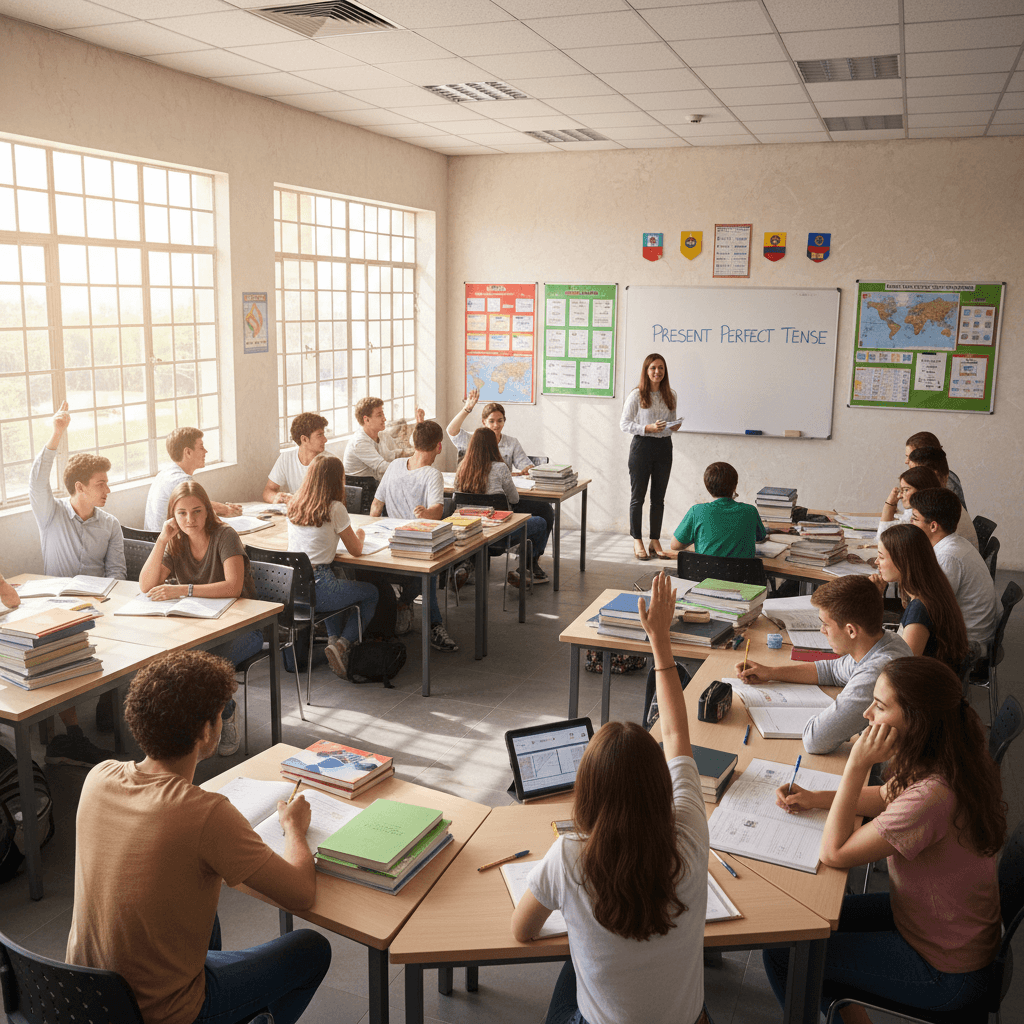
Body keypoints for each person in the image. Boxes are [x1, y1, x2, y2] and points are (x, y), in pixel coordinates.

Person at [66, 649, 332, 1024]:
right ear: (206, 730)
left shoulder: (99, 777)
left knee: (201, 907)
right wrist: (294, 829)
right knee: (311, 950)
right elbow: (300, 892)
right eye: (222, 714)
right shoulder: (206, 813)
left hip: (85, 999)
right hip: (159, 1013)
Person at [511, 573, 708, 1024]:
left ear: (589, 795)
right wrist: (660, 640)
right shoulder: (692, 834)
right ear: (661, 786)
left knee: (571, 970)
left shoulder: (569, 856)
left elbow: (521, 932)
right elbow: (677, 733)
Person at [763, 656, 1005, 1021]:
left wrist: (856, 764)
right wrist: (816, 798)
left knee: (786, 952)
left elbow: (834, 852)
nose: (867, 715)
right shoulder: (945, 758)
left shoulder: (933, 798)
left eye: (879, 706)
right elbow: (884, 797)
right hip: (930, 924)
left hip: (944, 970)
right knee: (802, 926)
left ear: (916, 720)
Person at [30, 401, 124, 767]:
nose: (108, 490)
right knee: (59, 647)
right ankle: (72, 736)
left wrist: (104, 602)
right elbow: (37, 480)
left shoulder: (110, 524)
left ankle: (106, 705)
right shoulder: (51, 515)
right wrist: (57, 433)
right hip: (54, 609)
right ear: (79, 488)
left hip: (99, 605)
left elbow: (116, 574)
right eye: (101, 484)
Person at [139, 481, 263, 756]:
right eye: (181, 513)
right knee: (179, 667)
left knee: (201, 672)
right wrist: (162, 539)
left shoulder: (225, 535)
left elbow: (232, 586)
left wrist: (183, 589)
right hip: (202, 627)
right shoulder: (176, 541)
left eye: (196, 511)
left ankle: (225, 714)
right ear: (173, 515)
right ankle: (201, 725)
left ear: (207, 511)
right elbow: (146, 585)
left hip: (244, 628)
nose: (189, 519)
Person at [736, 575, 911, 755]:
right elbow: (831, 671)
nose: (822, 630)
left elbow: (816, 741)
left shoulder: (877, 672)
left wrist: (829, 714)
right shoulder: (886, 640)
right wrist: (770, 672)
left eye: (826, 624)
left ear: (851, 630)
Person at [286, 454, 378, 679]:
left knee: (333, 584)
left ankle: (332, 641)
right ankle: (343, 645)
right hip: (320, 586)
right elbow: (356, 550)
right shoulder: (335, 508)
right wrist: (361, 534)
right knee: (371, 593)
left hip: (291, 588)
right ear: (338, 480)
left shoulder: (294, 504)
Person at [371, 420, 458, 652]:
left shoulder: (395, 465)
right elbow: (437, 512)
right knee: (428, 575)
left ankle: (400, 604)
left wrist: (373, 530)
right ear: (439, 447)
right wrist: (426, 513)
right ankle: (431, 624)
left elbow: (376, 506)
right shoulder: (432, 474)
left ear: (412, 442)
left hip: (386, 540)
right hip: (414, 543)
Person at [446, 389, 556, 549]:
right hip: (497, 515)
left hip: (477, 515)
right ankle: (527, 561)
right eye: (491, 421)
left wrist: (524, 471)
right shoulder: (473, 439)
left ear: (504, 421)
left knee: (542, 509)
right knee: (542, 514)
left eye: (500, 421)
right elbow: (514, 499)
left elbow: (526, 466)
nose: (496, 425)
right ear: (483, 422)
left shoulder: (463, 467)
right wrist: (467, 408)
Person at [907, 488, 998, 657]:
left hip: (967, 647)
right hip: (971, 634)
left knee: (892, 646)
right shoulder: (954, 544)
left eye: (915, 519)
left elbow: (928, 609)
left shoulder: (948, 557)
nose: (911, 524)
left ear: (933, 526)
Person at [456, 427, 550, 586]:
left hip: (470, 533)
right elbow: (514, 498)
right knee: (541, 521)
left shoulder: (461, 469)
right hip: (500, 535)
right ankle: (524, 569)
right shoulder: (500, 468)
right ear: (494, 446)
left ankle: (467, 565)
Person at [870, 524, 969, 670]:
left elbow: (902, 670)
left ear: (902, 561)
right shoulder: (933, 587)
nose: (876, 562)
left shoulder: (919, 609)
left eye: (881, 557)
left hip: (928, 686)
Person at [619, 353, 681, 561]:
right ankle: (637, 539)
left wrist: (674, 426)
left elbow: (670, 424)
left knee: (658, 499)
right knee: (638, 497)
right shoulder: (636, 395)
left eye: (661, 368)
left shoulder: (671, 394)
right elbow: (624, 424)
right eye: (653, 368)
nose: (657, 372)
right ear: (646, 371)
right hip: (641, 447)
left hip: (664, 447)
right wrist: (648, 428)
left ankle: (654, 540)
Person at [144, 427, 242, 531]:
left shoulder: (164, 474)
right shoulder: (181, 480)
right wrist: (227, 510)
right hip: (167, 544)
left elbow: (200, 504)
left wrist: (224, 509)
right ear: (188, 452)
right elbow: (203, 508)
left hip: (154, 542)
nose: (205, 451)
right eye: (201, 447)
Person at [671, 461, 766, 559]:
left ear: (707, 487)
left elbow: (675, 545)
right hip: (744, 573)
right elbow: (760, 537)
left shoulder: (697, 511)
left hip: (705, 573)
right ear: (735, 485)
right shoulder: (750, 511)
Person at [879, 466, 977, 549]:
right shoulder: (938, 504)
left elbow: (885, 543)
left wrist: (889, 504)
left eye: (906, 490)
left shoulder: (937, 509)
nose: (900, 496)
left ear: (922, 489)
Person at [343, 396, 425, 481]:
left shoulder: (380, 434)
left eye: (383, 414)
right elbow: (382, 467)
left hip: (374, 484)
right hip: (361, 489)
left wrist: (420, 452)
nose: (384, 419)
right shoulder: (359, 442)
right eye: (379, 415)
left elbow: (394, 454)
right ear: (366, 420)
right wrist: (412, 466)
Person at [262, 412, 329, 505]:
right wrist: (278, 498)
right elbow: (268, 491)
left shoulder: (330, 462)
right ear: (304, 439)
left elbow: (333, 501)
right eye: (320, 435)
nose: (325, 439)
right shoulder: (286, 458)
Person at [904, 430, 966, 507]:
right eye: (907, 456)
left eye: (911, 457)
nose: (906, 462)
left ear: (924, 457)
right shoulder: (928, 477)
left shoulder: (944, 480)